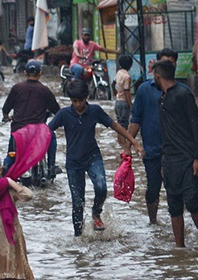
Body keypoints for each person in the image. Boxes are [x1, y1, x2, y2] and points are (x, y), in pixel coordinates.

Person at [48, 79, 144, 236]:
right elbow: (47, 132)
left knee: (101, 187)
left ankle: (96, 213)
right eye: (74, 101)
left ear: (86, 97)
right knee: (77, 201)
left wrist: (133, 142)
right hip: (73, 162)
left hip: (93, 157)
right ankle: (78, 236)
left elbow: (115, 126)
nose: (77, 104)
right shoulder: (64, 114)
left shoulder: (95, 111)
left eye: (80, 100)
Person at [154, 59, 198, 247]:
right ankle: (180, 248)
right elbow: (166, 134)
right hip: (170, 160)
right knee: (174, 205)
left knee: (192, 201)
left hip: (188, 158)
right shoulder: (162, 98)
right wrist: (163, 161)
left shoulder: (183, 95)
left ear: (157, 76)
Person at [127, 48, 184, 225]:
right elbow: (136, 118)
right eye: (165, 63)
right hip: (152, 150)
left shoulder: (182, 91)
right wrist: (128, 145)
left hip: (176, 151)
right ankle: (154, 222)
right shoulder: (144, 90)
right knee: (153, 188)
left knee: (176, 190)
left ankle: (178, 224)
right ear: (155, 68)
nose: (168, 66)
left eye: (172, 63)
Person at [1, 60, 61, 177]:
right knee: (52, 135)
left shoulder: (17, 88)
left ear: (25, 73)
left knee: (11, 155)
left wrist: (6, 117)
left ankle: (6, 168)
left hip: (18, 131)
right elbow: (57, 111)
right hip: (39, 132)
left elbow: (5, 109)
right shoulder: (45, 90)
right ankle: (51, 166)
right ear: (40, 73)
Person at [114, 55, 134, 155]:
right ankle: (123, 146)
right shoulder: (127, 76)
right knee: (124, 125)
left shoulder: (119, 73)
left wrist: (115, 95)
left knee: (119, 124)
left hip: (117, 101)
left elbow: (113, 84)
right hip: (123, 102)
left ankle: (120, 144)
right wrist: (130, 104)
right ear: (130, 65)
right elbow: (127, 91)